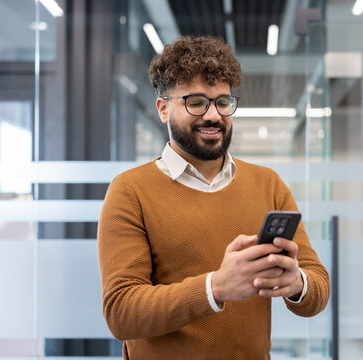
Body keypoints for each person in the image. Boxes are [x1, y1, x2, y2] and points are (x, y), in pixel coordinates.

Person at [97, 35, 330, 360]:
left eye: (222, 102)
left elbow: (318, 287)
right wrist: (215, 288)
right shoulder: (130, 191)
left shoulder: (269, 184)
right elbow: (121, 312)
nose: (213, 115)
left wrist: (297, 282)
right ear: (163, 109)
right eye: (196, 102)